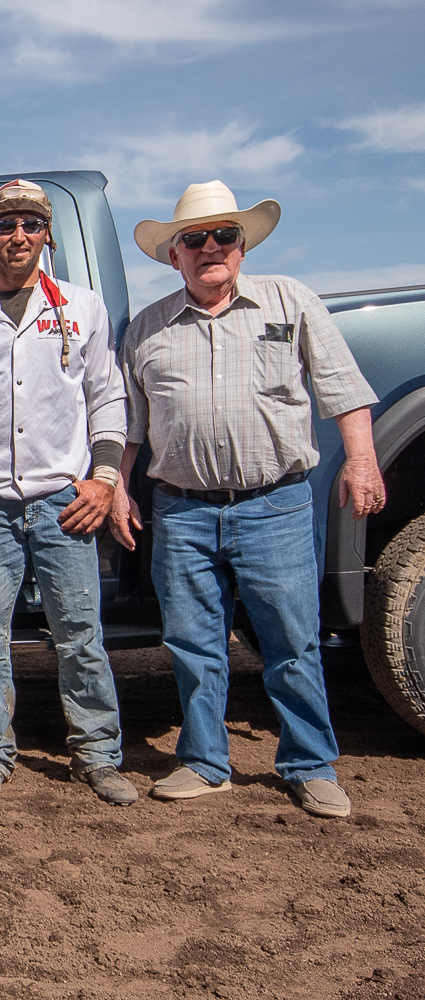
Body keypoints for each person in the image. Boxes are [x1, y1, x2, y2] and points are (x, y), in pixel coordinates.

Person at [113, 180, 383, 818]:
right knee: (191, 644)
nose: (210, 247)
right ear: (174, 255)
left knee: (292, 642)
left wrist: (363, 460)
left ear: (242, 246)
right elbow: (127, 428)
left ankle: (310, 765)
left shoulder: (292, 301)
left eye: (224, 235)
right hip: (181, 510)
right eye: (194, 239)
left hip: (276, 506)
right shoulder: (146, 329)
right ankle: (205, 763)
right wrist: (119, 487)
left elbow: (343, 388)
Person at [0, 179, 138, 806]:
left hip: (65, 498)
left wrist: (105, 479)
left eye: (31, 225)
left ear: (47, 236)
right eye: (6, 224)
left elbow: (107, 398)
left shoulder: (82, 308)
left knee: (80, 634)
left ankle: (97, 754)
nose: (18, 236)